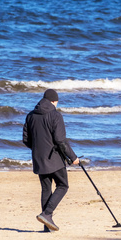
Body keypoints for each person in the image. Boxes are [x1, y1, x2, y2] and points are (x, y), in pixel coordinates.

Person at [23, 89, 79, 232]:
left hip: (39, 159)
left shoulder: (30, 115)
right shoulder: (55, 115)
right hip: (54, 158)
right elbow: (60, 140)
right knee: (62, 185)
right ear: (54, 101)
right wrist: (73, 157)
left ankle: (46, 226)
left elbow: (26, 140)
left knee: (46, 189)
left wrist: (38, 150)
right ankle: (47, 214)